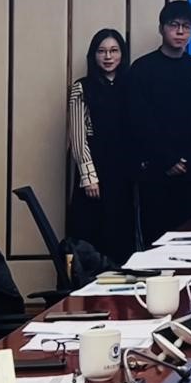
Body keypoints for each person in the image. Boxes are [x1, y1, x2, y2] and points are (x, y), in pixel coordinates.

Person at [130, 1, 191, 246]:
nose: (180, 32)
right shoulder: (142, 69)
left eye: (186, 26)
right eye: (173, 25)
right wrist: (168, 160)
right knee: (156, 242)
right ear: (161, 28)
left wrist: (188, 160)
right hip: (155, 172)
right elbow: (140, 121)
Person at [66, 28, 136, 262]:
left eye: (114, 51)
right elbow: (78, 137)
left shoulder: (130, 86)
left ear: (122, 54)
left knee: (121, 236)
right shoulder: (82, 87)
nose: (108, 57)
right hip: (95, 171)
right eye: (101, 51)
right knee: (91, 236)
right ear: (93, 55)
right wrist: (89, 176)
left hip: (123, 172)